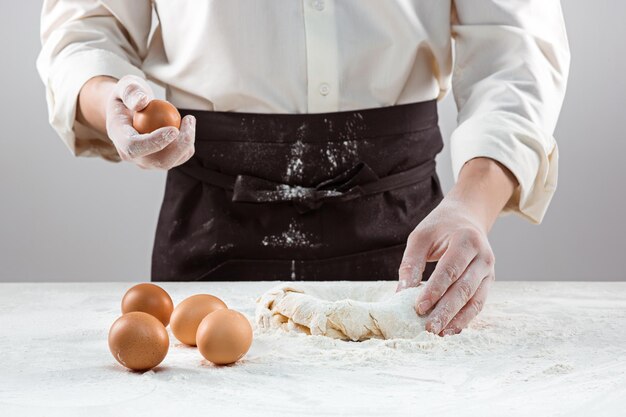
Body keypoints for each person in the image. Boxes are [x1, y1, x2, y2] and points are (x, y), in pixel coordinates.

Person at [37, 1, 569, 336]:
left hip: (406, 230)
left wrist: (471, 207)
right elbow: (87, 29)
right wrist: (111, 99)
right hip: (214, 216)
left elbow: (515, 52)